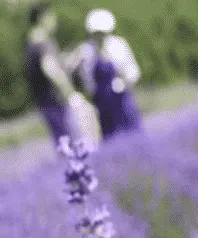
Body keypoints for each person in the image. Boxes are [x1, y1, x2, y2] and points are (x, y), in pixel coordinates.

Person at [84, 9, 142, 141]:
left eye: (102, 33)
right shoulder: (87, 51)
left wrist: (126, 86)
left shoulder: (118, 46)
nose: (99, 37)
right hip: (103, 103)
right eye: (96, 34)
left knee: (131, 132)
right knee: (111, 136)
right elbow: (88, 80)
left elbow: (132, 72)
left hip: (122, 98)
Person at [25, 3, 74, 145]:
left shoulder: (31, 41)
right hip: (55, 102)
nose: (54, 21)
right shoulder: (41, 41)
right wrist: (68, 91)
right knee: (69, 145)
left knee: (64, 143)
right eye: (51, 17)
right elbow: (50, 68)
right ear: (42, 18)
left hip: (47, 103)